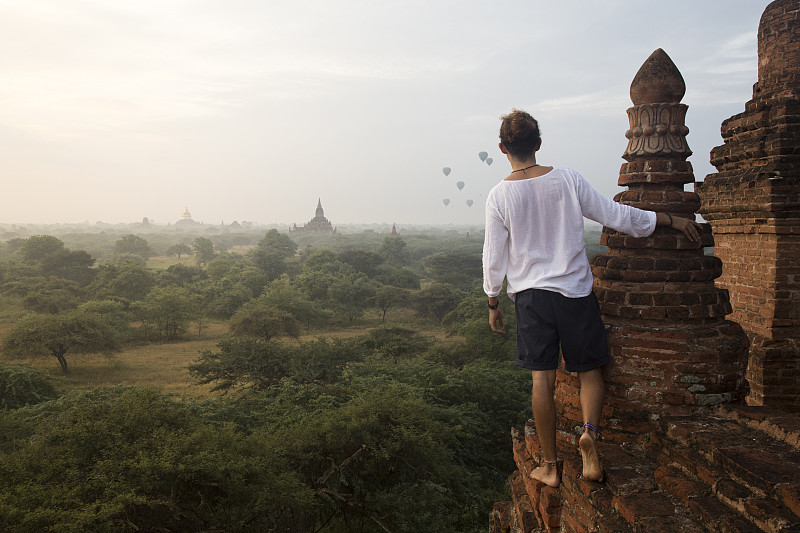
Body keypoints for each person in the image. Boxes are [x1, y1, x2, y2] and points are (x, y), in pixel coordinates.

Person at [482, 109, 701, 487]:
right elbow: (615, 215)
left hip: (531, 298)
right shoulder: (567, 179)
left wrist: (492, 301)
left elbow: (493, 256)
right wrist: (668, 219)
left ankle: (549, 465)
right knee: (589, 372)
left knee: (542, 379)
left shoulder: (499, 195)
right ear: (538, 144)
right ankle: (590, 435)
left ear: (502, 148)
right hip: (575, 292)